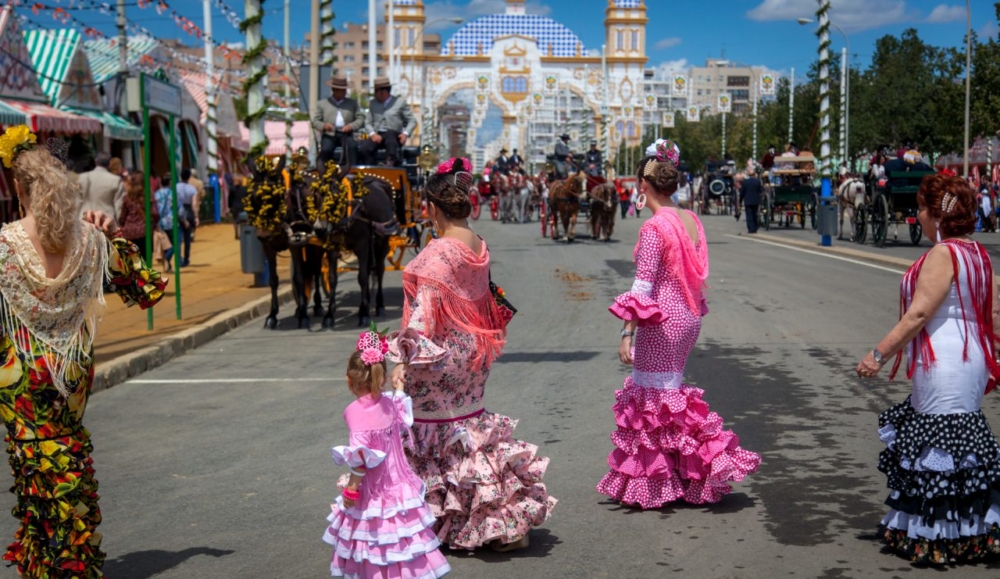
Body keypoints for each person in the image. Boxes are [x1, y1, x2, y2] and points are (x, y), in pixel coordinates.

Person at [0, 125, 166, 577]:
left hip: (19, 383)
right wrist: (112, 237)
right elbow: (148, 290)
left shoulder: (3, 246)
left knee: (32, 475)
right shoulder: (92, 242)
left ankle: (48, 564)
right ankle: (72, 557)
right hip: (71, 376)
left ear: (19, 187)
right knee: (67, 462)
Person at [386, 157, 556, 551]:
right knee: (465, 430)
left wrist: (401, 359)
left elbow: (424, 313)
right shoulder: (478, 243)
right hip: (473, 351)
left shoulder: (438, 253)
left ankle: (435, 519)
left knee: (431, 435)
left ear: (432, 207)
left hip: (439, 354)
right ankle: (499, 518)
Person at [597, 140, 760, 509]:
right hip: (688, 317)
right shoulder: (691, 220)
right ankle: (689, 473)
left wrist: (627, 331)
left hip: (661, 320)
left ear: (643, 185)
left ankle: (656, 484)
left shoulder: (655, 227)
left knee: (651, 402)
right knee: (669, 397)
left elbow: (643, 285)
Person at [855, 174, 1000, 565]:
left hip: (944, 361)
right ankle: (968, 533)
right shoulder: (977, 254)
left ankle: (935, 538)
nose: (917, 215)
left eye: (921, 209)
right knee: (961, 448)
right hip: (968, 361)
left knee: (938, 445)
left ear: (938, 215)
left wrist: (878, 354)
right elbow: (994, 313)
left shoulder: (942, 254)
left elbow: (919, 313)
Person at [321, 331, 451, 578]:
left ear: (349, 381)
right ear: (380, 376)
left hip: (374, 491)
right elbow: (400, 401)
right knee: (404, 541)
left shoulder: (356, 412)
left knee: (375, 542)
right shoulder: (390, 403)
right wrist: (399, 382)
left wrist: (351, 490)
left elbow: (360, 461)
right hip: (400, 486)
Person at [359, 77, 416, 166]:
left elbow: (412, 120)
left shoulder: (399, 102)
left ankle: (390, 162)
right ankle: (372, 167)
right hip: (378, 135)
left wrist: (405, 133)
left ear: (383, 92)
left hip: (394, 135)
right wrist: (372, 134)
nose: (374, 94)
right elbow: (368, 122)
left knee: (390, 136)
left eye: (376, 91)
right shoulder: (373, 103)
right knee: (364, 149)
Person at [312, 75, 364, 168]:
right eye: (341, 90)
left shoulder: (352, 103)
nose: (344, 92)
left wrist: (351, 126)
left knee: (352, 147)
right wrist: (324, 126)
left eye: (345, 90)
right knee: (326, 149)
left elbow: (360, 119)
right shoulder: (322, 104)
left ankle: (353, 170)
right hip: (329, 134)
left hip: (346, 134)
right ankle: (324, 171)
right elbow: (315, 121)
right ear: (334, 90)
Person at [117, 171, 159, 258]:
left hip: (129, 233)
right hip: (145, 231)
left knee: (132, 262)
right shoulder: (149, 197)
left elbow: (122, 218)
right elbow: (155, 214)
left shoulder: (126, 198)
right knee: (145, 261)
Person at [77, 151, 125, 224]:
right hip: (106, 220)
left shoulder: (82, 177)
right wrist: (117, 223)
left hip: (85, 218)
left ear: (95, 161)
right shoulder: (116, 180)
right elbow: (118, 204)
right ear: (109, 164)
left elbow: (77, 200)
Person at [176, 168, 198, 267]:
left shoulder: (175, 187)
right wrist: (196, 216)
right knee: (187, 237)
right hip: (188, 211)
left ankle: (178, 259)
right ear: (189, 177)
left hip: (177, 210)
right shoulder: (192, 189)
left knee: (179, 237)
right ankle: (186, 258)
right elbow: (194, 204)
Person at [155, 175, 176, 272]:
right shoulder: (172, 193)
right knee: (174, 245)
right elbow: (177, 207)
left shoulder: (156, 194)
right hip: (171, 221)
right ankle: (166, 260)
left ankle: (167, 265)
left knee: (165, 245)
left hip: (159, 222)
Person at [740, 168, 763, 234]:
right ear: (754, 175)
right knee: (755, 214)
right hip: (755, 200)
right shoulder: (757, 181)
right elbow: (760, 190)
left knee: (749, 215)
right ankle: (755, 227)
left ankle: (751, 228)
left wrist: (740, 200)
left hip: (748, 200)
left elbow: (742, 192)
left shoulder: (745, 182)